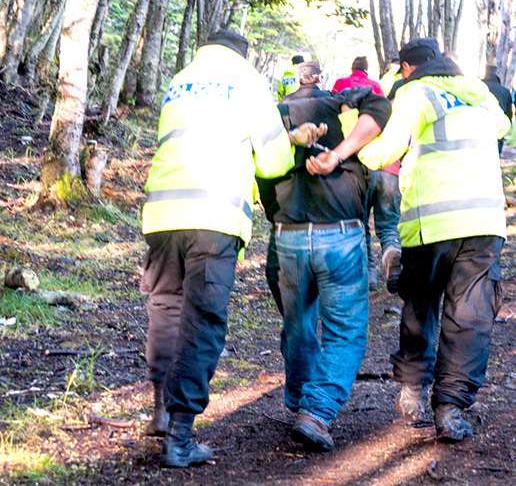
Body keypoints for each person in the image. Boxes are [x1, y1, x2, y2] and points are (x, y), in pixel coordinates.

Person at [307, 38, 509, 443]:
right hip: (484, 221)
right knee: (470, 317)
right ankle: (451, 408)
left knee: (421, 305)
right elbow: (505, 127)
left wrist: (350, 126)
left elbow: (383, 152)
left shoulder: (416, 93)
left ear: (406, 69)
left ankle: (413, 393)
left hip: (432, 223)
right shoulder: (482, 95)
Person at [141, 30, 324, 468]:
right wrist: (291, 141)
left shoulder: (180, 78)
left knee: (165, 308)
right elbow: (274, 160)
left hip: (163, 214)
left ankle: (161, 412)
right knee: (203, 319)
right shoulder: (247, 81)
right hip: (215, 217)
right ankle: (181, 437)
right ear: (242, 54)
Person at [257, 61, 391, 452]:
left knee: (298, 324)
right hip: (341, 235)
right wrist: (341, 152)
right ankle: (315, 412)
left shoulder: (272, 119)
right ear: (322, 80)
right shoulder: (344, 110)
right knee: (345, 331)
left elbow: (262, 175)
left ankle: (301, 404)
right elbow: (382, 109)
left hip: (288, 235)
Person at [332, 56, 402, 292]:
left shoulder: (340, 84)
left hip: (362, 166)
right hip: (389, 166)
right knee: (389, 225)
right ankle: (391, 253)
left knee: (361, 223)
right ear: (367, 70)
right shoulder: (378, 88)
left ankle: (369, 274)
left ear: (352, 68)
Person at [482, 64, 513, 155]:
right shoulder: (505, 91)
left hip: (481, 124)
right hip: (498, 126)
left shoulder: (479, 87)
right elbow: (509, 113)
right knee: (496, 152)